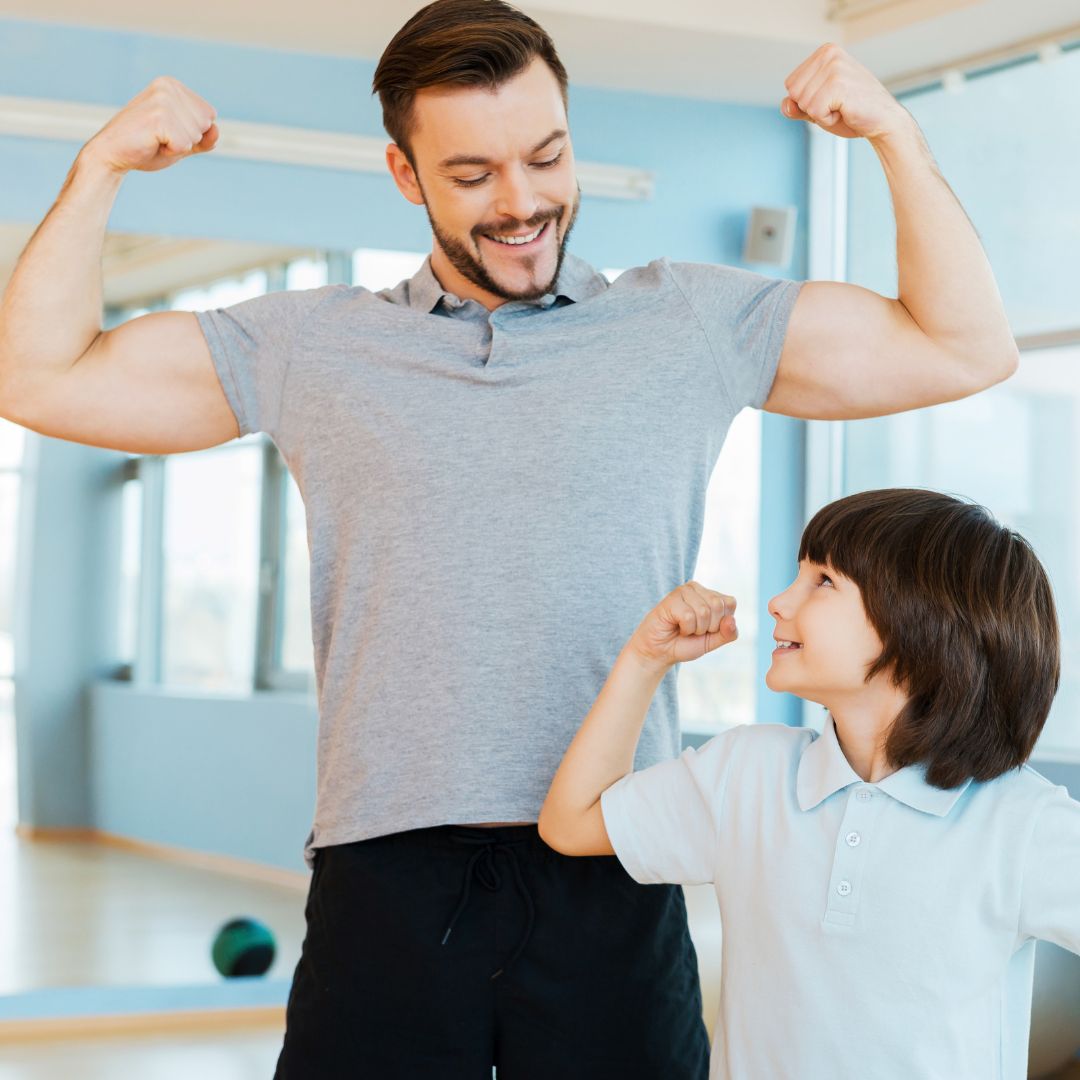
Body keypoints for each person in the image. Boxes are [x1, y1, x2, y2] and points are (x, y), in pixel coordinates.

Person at [0, 0, 1019, 1074]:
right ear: (406, 176)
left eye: (547, 157)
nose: (523, 202)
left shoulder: (688, 325)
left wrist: (898, 138)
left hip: (614, 858)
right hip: (387, 871)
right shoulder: (312, 345)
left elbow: (963, 346)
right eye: (474, 174)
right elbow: (37, 376)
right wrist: (102, 164)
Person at [539, 487, 1071, 1080]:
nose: (777, 601)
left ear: (921, 625)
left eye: (823, 581)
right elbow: (571, 822)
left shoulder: (1020, 823)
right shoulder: (746, 775)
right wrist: (644, 660)